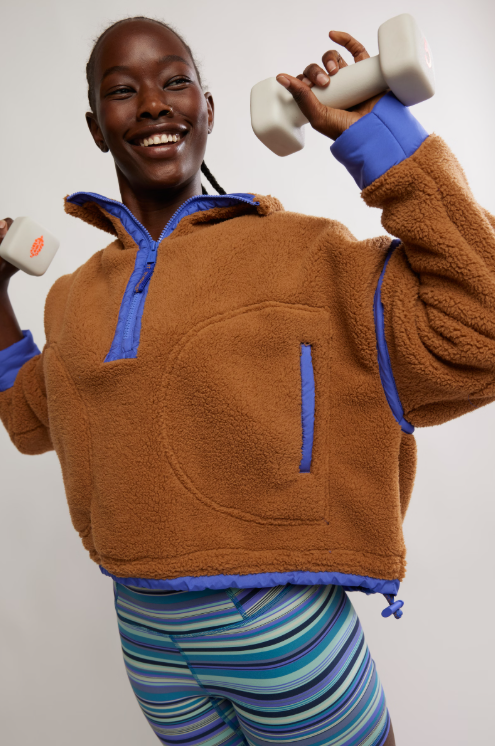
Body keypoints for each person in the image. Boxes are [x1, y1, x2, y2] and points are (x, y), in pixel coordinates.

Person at [1, 15, 494, 746]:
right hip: (146, 642)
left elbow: (482, 330)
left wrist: (378, 134)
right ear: (96, 128)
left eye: (175, 82)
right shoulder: (73, 297)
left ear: (208, 108)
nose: (153, 103)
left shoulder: (308, 256)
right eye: (122, 90)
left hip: (279, 630)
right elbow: (29, 419)